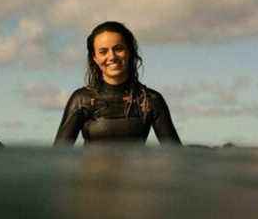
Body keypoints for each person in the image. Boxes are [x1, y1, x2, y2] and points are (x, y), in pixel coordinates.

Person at [54, 21, 182, 146]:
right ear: (95, 58)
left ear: (129, 51)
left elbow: (176, 156)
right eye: (103, 52)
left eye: (118, 49)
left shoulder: (151, 100)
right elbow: (58, 155)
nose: (112, 56)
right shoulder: (81, 99)